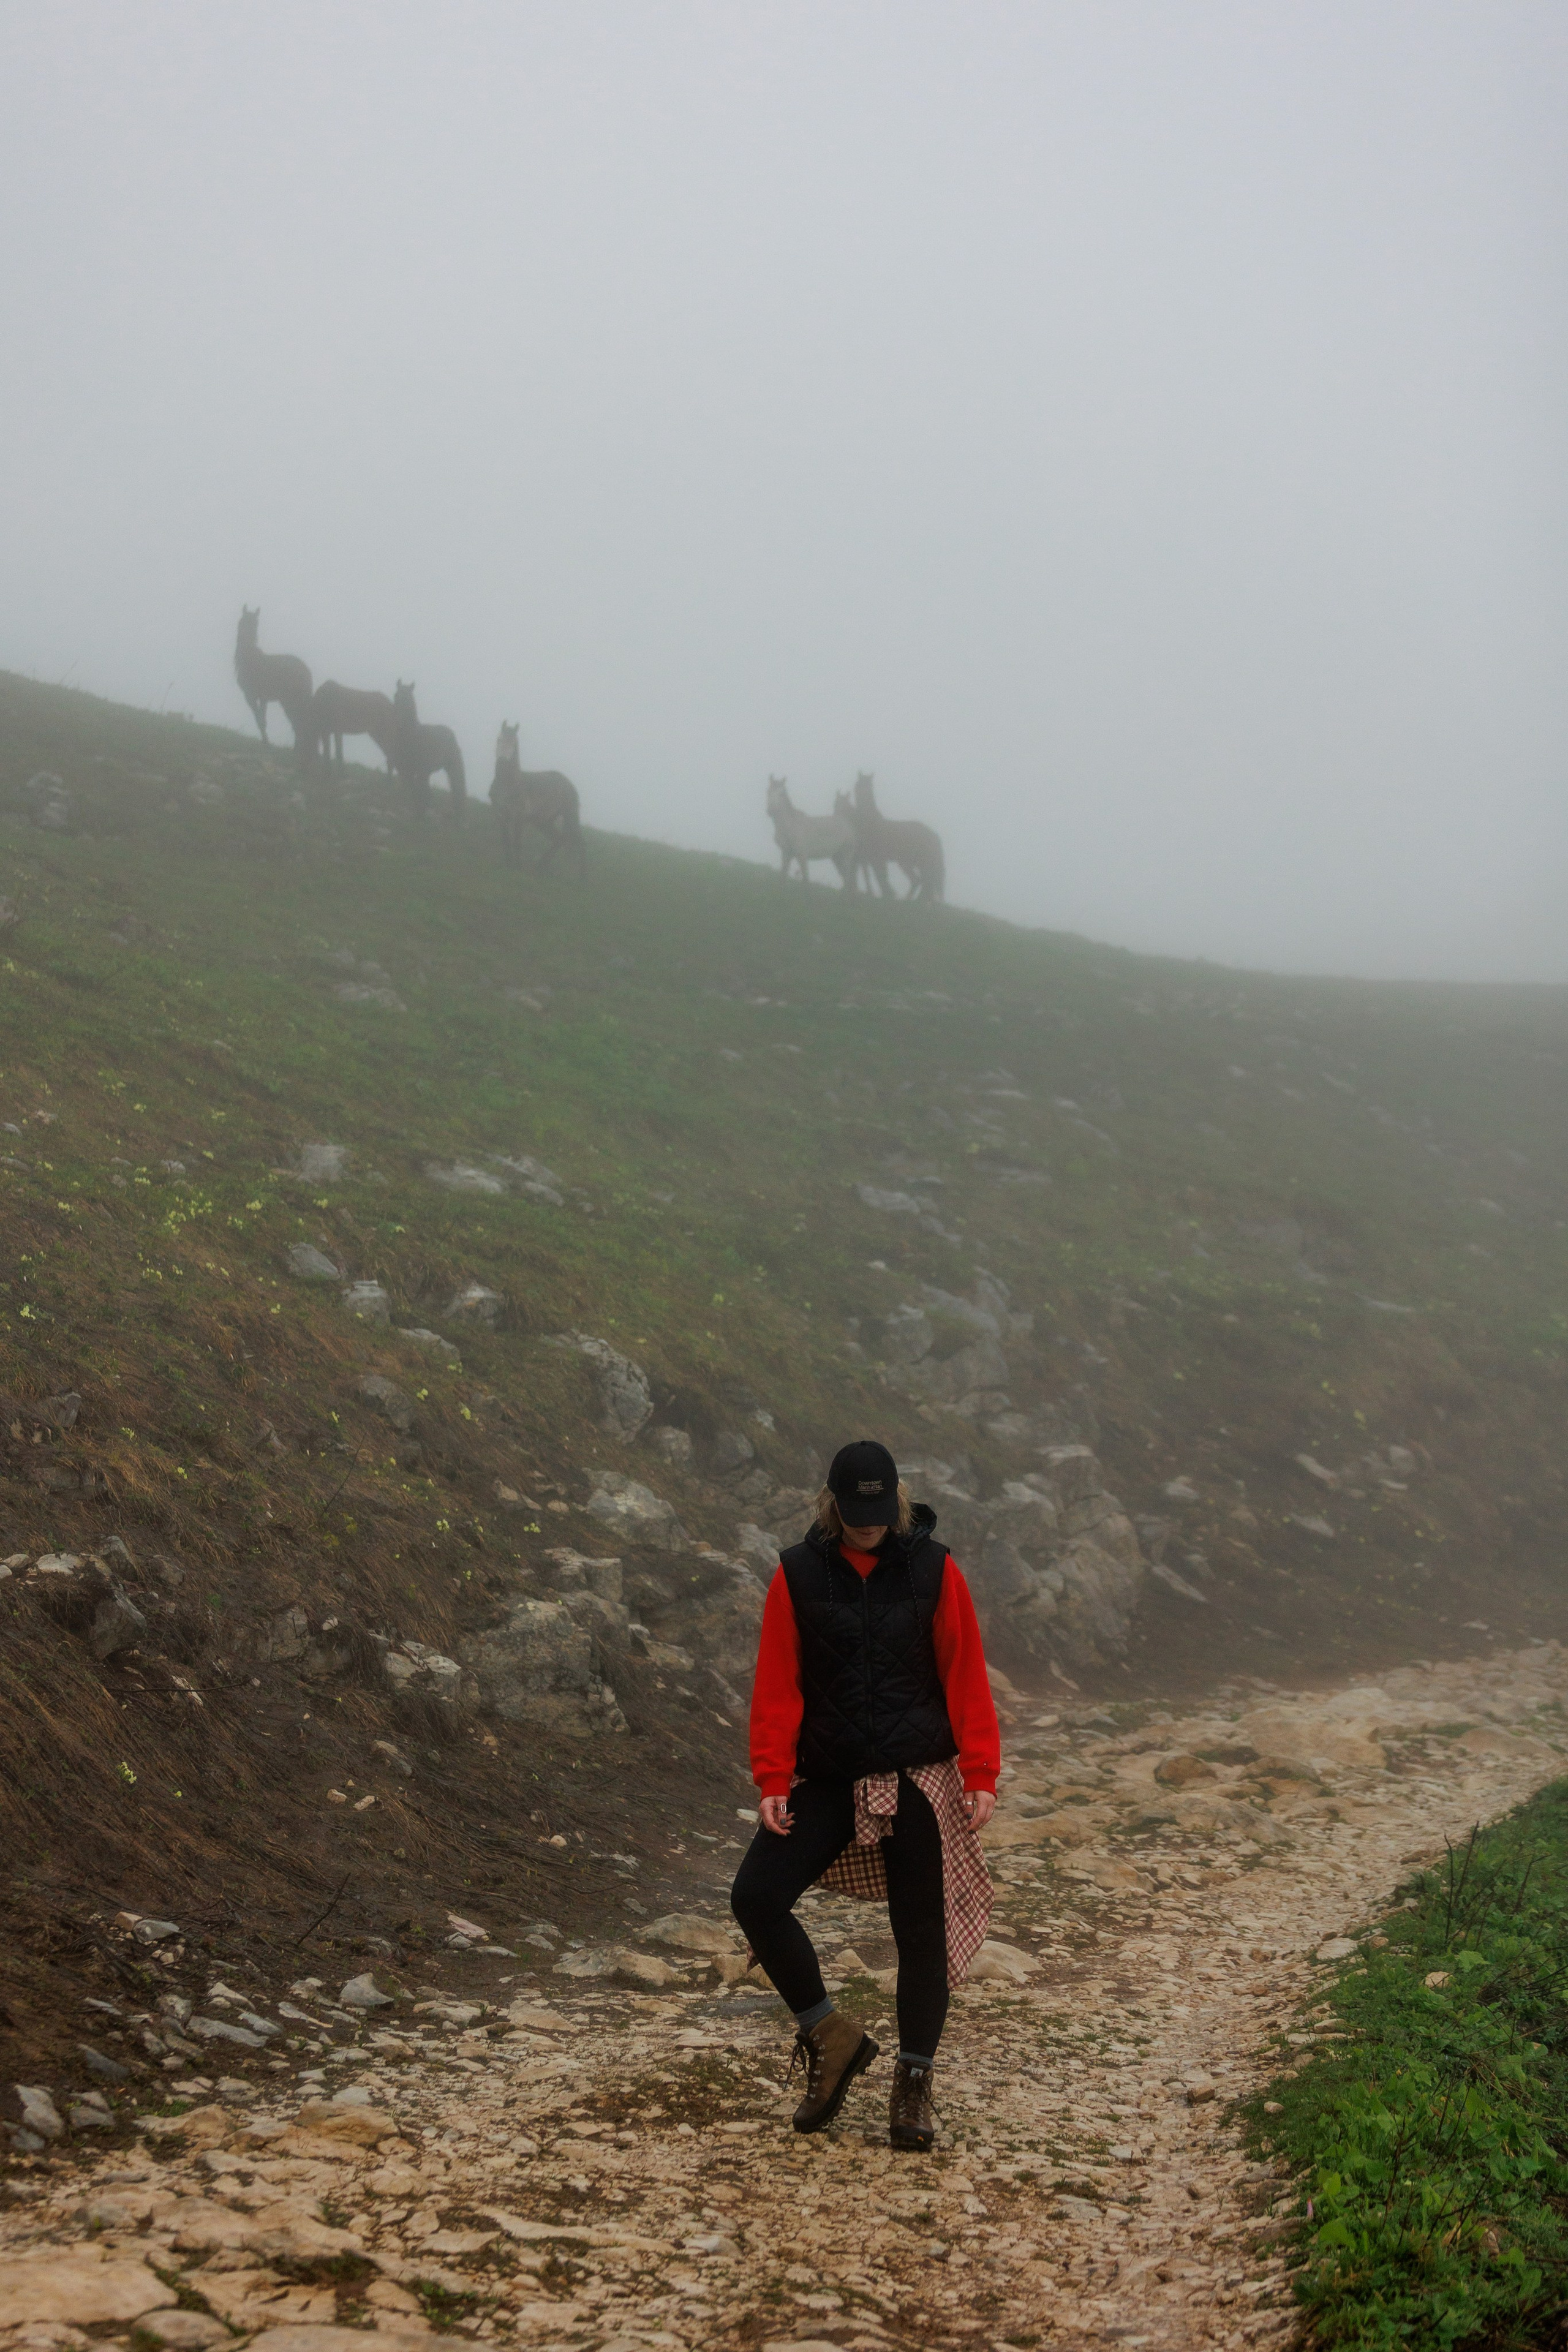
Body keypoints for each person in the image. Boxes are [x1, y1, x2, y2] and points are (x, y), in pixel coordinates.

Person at [731, 1438, 1000, 2151]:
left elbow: (965, 1671)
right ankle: (829, 2034)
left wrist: (979, 1773)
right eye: (856, 1512)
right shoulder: (796, 1574)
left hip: (917, 1776)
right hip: (828, 1776)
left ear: (898, 1503)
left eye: (879, 1512)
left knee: (920, 1935)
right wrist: (771, 1777)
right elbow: (776, 1681)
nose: (868, 1524)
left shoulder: (934, 1569)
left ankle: (913, 2084)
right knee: (755, 1896)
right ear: (833, 1504)